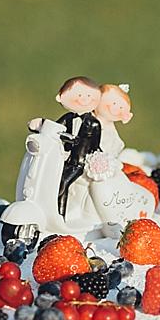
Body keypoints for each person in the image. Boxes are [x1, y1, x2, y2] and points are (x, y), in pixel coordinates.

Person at [53, 76, 103, 218]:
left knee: (63, 182)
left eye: (88, 95)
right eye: (79, 95)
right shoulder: (68, 118)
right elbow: (54, 129)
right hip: (63, 159)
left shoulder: (94, 124)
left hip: (78, 163)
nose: (84, 99)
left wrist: (99, 162)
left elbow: (95, 146)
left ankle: (59, 215)